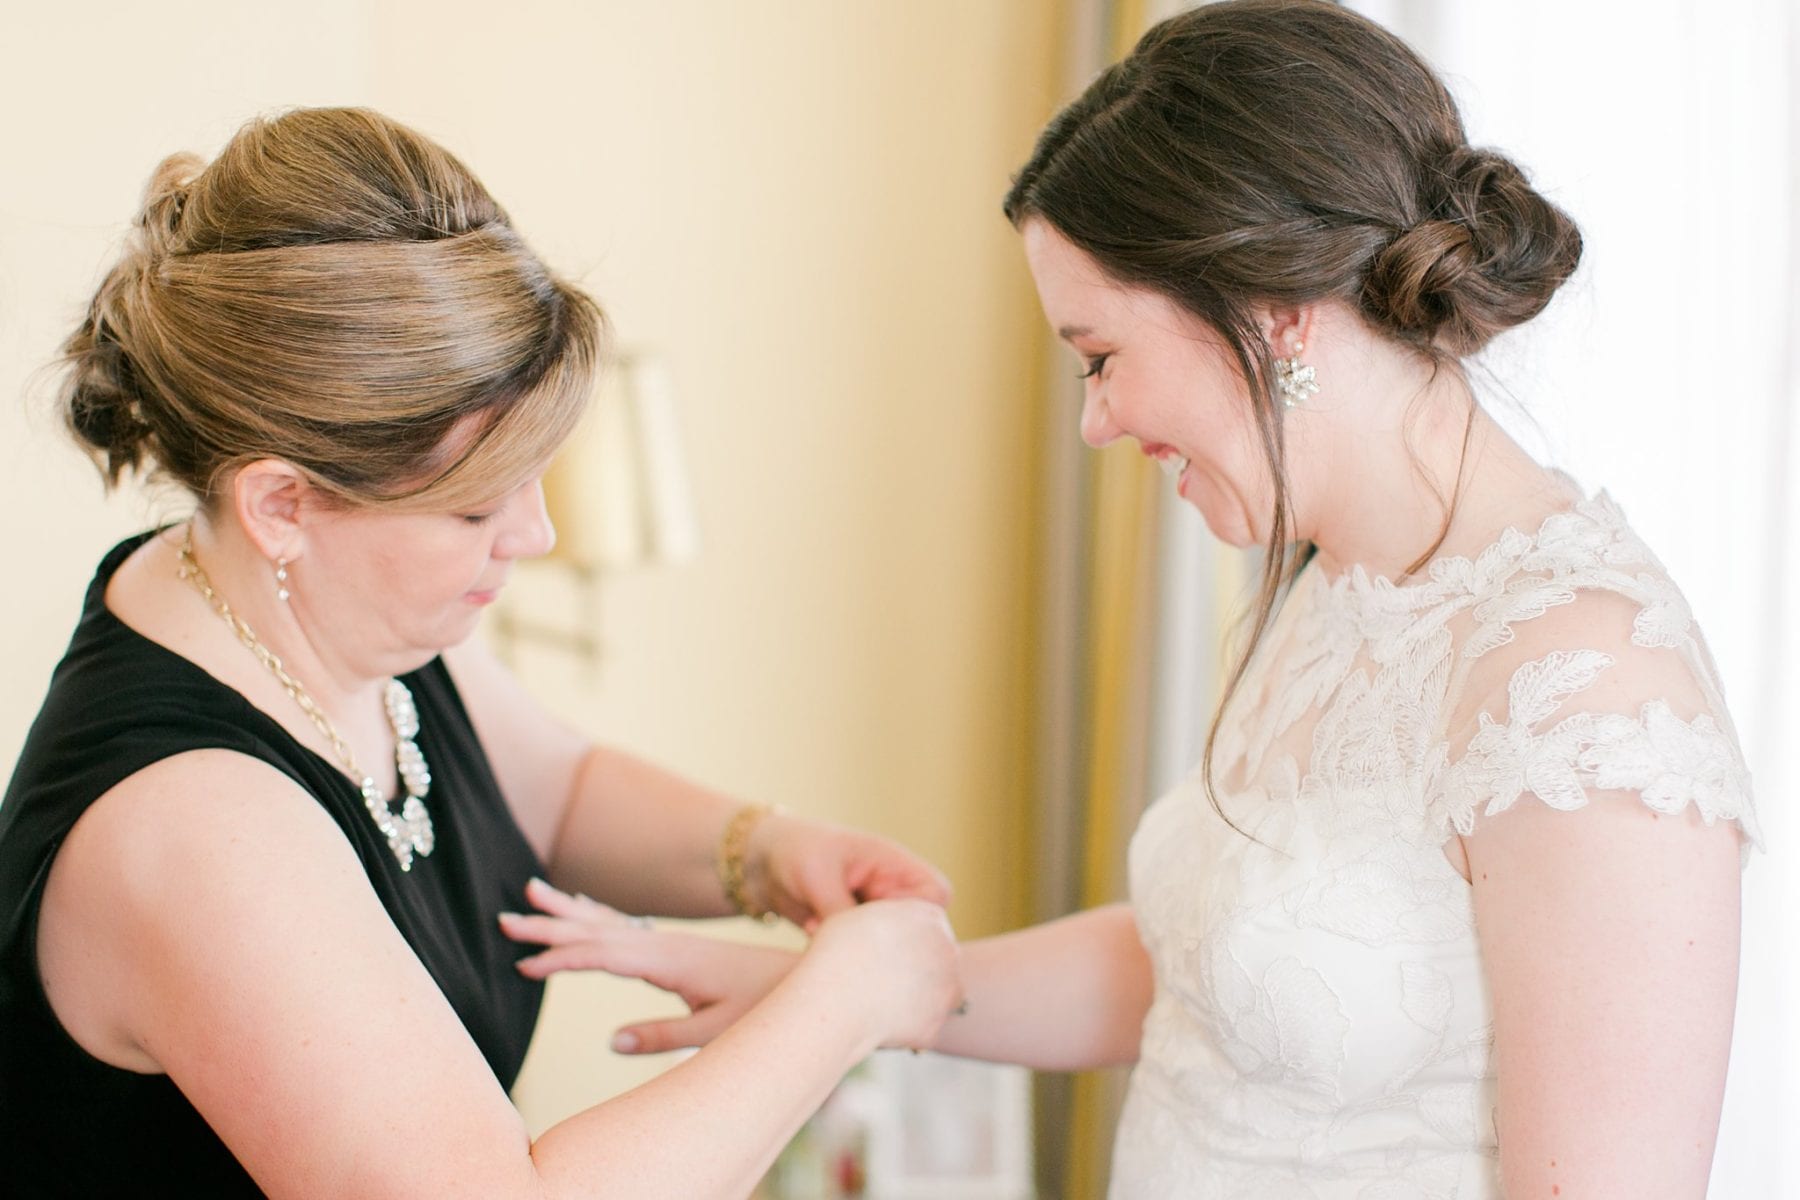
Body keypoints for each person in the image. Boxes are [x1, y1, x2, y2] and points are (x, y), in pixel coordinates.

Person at [506, 3, 1763, 1197]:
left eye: (1102, 359)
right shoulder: (1338, 581)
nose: (1098, 423)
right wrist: (854, 999)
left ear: (1273, 317)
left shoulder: (1585, 693)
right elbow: (1217, 970)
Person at [0, 106, 966, 1198]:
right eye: (473, 511)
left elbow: (552, 792)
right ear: (281, 502)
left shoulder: (319, 609)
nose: (535, 536)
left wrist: (768, 853)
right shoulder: (194, 827)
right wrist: (841, 1002)